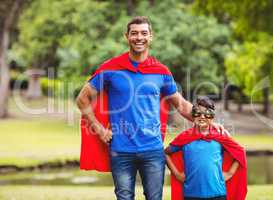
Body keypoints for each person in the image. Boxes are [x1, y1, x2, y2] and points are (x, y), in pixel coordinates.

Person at [76, 16, 225, 200]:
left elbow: (181, 104)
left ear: (150, 37)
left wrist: (208, 120)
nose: (139, 37)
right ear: (127, 36)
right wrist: (99, 130)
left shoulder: (161, 71)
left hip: (153, 150)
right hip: (121, 150)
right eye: (134, 33)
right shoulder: (111, 68)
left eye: (144, 33)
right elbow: (82, 99)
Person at [165, 96, 247, 200]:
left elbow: (240, 151)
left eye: (207, 113)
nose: (202, 116)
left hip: (217, 193)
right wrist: (177, 174)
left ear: (212, 117)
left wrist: (230, 173)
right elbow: (166, 153)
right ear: (193, 115)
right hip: (191, 194)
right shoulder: (185, 137)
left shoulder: (220, 136)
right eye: (197, 112)